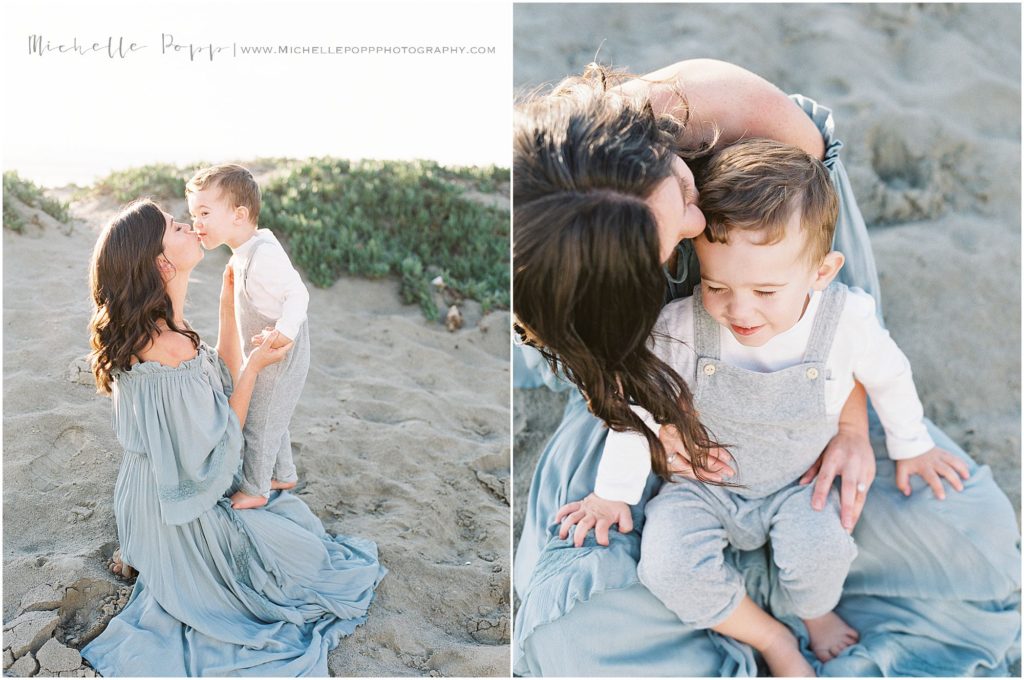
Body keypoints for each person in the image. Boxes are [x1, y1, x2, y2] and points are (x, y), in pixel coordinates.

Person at [512, 59, 1020, 676]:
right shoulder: (559, 250)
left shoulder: (761, 132)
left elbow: (841, 329)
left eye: (682, 201)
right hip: (669, 426)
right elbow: (616, 378)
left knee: (972, 545)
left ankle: (805, 606)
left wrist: (855, 431)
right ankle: (764, 633)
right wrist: (650, 424)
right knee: (578, 631)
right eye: (676, 247)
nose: (697, 226)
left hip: (803, 438)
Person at [81, 199, 385, 676]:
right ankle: (158, 559)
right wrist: (260, 366)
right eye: (178, 227)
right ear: (162, 263)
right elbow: (223, 432)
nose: (191, 226)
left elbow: (219, 376)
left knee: (287, 522)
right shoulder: (168, 347)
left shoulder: (159, 329)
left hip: (147, 494)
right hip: (177, 507)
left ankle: (142, 553)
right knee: (301, 558)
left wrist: (227, 305)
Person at [186, 163, 310, 510]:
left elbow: (298, 294)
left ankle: (256, 487)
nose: (197, 222)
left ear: (239, 214)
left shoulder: (264, 255)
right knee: (273, 412)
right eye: (194, 213)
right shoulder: (243, 253)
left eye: (206, 212)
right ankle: (283, 473)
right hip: (265, 349)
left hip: (280, 351)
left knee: (261, 419)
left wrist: (284, 332)